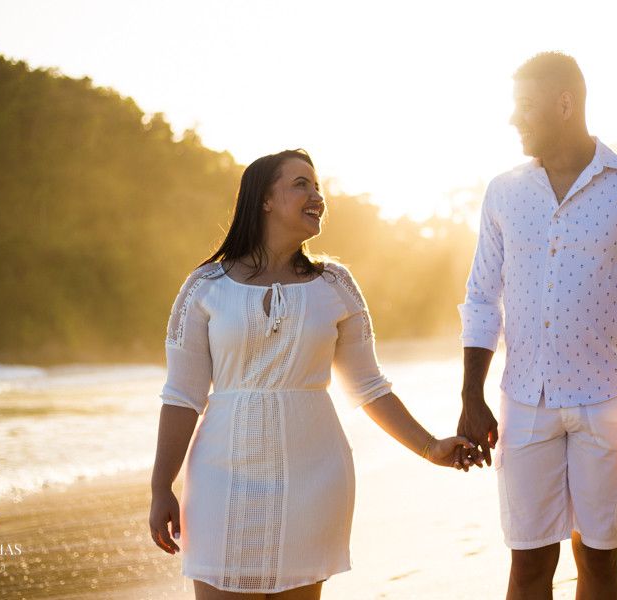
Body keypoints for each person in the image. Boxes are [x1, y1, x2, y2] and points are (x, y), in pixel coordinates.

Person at [149, 149, 471, 600]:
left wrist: (430, 446)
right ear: (264, 199)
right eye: (302, 184)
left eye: (318, 186)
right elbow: (182, 396)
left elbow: (370, 387)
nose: (316, 195)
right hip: (221, 479)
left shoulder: (334, 285)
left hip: (313, 478)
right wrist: (161, 486)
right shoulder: (206, 287)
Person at [455, 52, 617, 600]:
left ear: (565, 105)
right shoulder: (503, 192)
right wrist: (472, 395)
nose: (512, 120)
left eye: (524, 107)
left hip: (608, 401)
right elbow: (481, 298)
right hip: (524, 399)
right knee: (528, 565)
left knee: (597, 560)